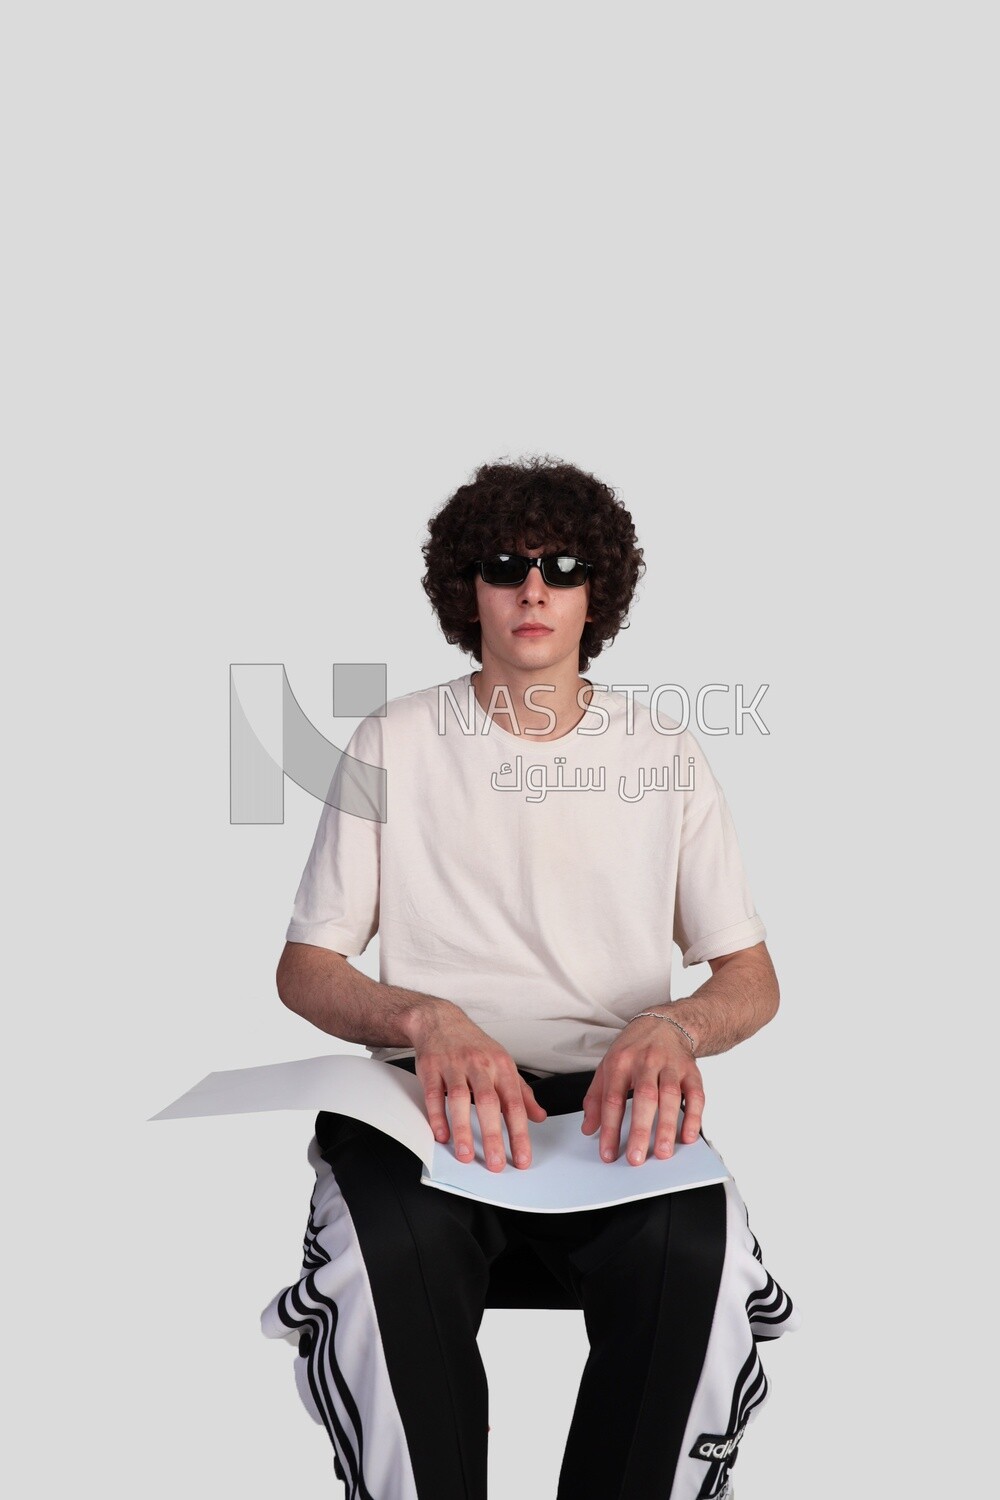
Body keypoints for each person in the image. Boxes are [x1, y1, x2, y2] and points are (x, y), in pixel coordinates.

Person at [260, 455, 798, 1500]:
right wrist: (424, 1016)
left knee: (701, 1262)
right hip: (424, 1102)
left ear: (599, 591)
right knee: (383, 1266)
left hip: (612, 1106)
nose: (535, 588)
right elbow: (308, 965)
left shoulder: (662, 753)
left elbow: (749, 975)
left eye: (562, 565)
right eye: (507, 564)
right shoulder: (394, 739)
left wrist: (676, 1030)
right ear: (470, 587)